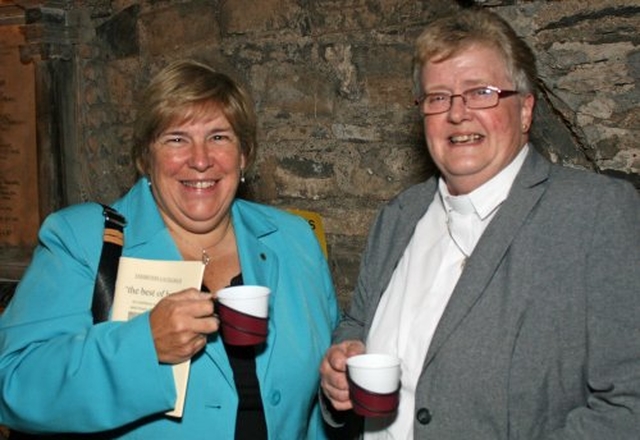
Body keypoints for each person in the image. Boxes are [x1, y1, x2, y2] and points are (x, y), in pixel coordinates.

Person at [320, 7, 640, 439]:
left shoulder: (595, 215)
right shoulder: (399, 216)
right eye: (438, 97)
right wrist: (343, 361)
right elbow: (357, 322)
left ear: (525, 110)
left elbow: (627, 406)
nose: (457, 114)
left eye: (481, 92)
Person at [0, 59, 339, 439]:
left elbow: (316, 403)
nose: (199, 159)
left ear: (244, 155)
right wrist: (142, 347)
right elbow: (12, 383)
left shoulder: (294, 241)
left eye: (219, 137)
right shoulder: (81, 239)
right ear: (147, 156)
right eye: (176, 138)